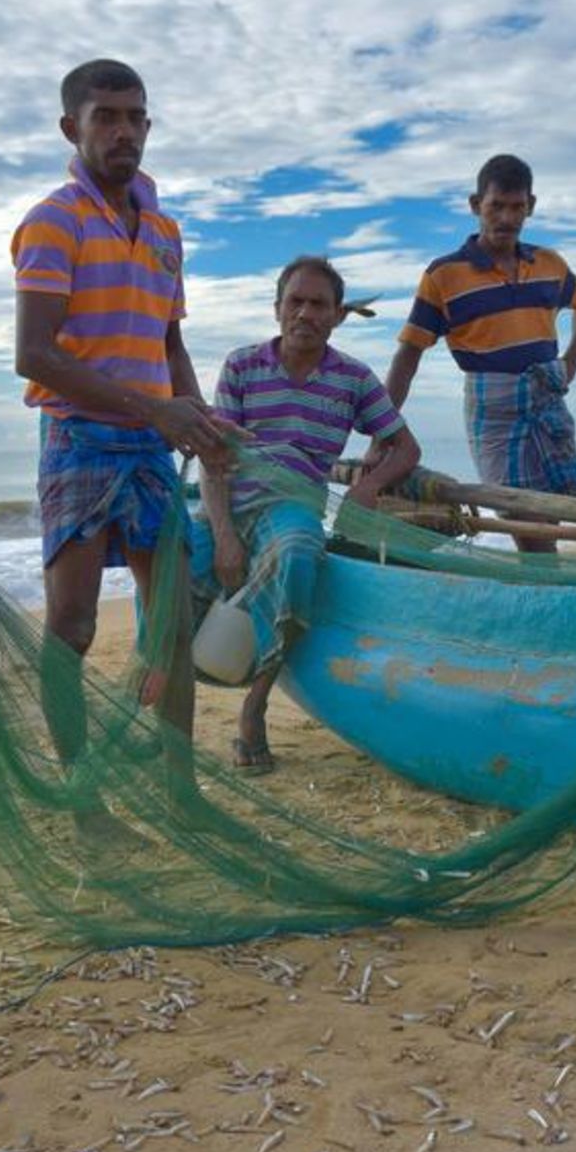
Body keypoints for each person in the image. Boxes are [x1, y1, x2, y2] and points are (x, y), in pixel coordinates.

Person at [11, 59, 230, 833]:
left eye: (136, 117)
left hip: (150, 446)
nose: (123, 132)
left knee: (171, 623)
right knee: (72, 625)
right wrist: (156, 411)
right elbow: (34, 354)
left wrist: (196, 418)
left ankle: (182, 795)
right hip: (78, 440)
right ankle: (84, 802)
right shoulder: (53, 221)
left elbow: (169, 343)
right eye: (105, 116)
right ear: (70, 127)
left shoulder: (164, 232)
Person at [190, 257, 420, 773]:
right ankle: (163, 706)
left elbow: (406, 447)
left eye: (319, 305)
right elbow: (212, 456)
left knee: (296, 556)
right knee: (168, 561)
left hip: (291, 507)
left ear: (337, 315)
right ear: (277, 308)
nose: (305, 314)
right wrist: (224, 535)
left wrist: (370, 484)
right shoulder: (242, 365)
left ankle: (255, 707)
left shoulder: (353, 379)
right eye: (295, 302)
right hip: (228, 499)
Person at [383, 154, 576, 553]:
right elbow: (408, 357)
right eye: (496, 206)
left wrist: (572, 362)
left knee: (553, 513)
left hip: (547, 403)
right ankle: (547, 584)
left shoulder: (549, 264)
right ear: (475, 205)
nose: (506, 218)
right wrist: (382, 433)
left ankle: (546, 585)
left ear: (531, 206)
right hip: (494, 412)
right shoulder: (444, 276)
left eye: (517, 207)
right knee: (525, 521)